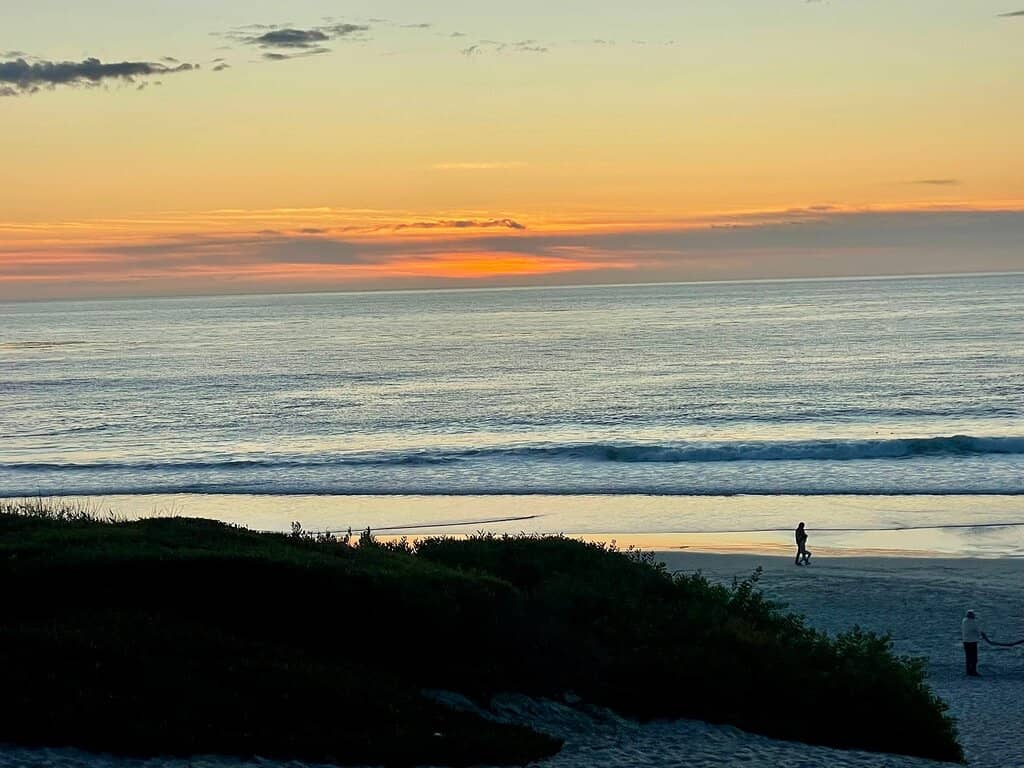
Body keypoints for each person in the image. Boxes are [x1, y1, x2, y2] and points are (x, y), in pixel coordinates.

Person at [962, 610, 981, 676]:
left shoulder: (964, 621)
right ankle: (973, 671)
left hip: (965, 641)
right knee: (974, 658)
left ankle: (968, 671)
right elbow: (978, 631)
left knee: (968, 657)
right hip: (972, 642)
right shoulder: (973, 622)